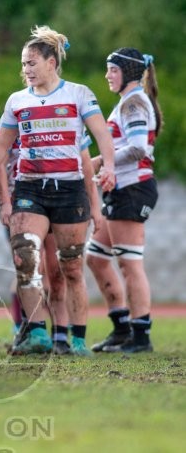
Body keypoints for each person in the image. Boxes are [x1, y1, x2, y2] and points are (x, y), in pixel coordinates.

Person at [0, 25, 116, 356]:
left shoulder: (78, 94)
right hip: (30, 189)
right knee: (24, 256)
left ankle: (77, 339)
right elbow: (1, 144)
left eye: (32, 63)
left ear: (51, 62)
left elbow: (101, 134)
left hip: (68, 191)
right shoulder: (17, 101)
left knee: (69, 269)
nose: (26, 70)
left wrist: (107, 165)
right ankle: (37, 332)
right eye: (23, 64)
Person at [86, 49, 161, 354]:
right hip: (123, 189)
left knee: (130, 264)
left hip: (133, 188)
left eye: (112, 70)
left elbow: (138, 148)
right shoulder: (128, 101)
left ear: (128, 73)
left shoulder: (132, 103)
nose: (107, 75)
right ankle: (121, 329)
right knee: (96, 258)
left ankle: (140, 336)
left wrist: (97, 162)